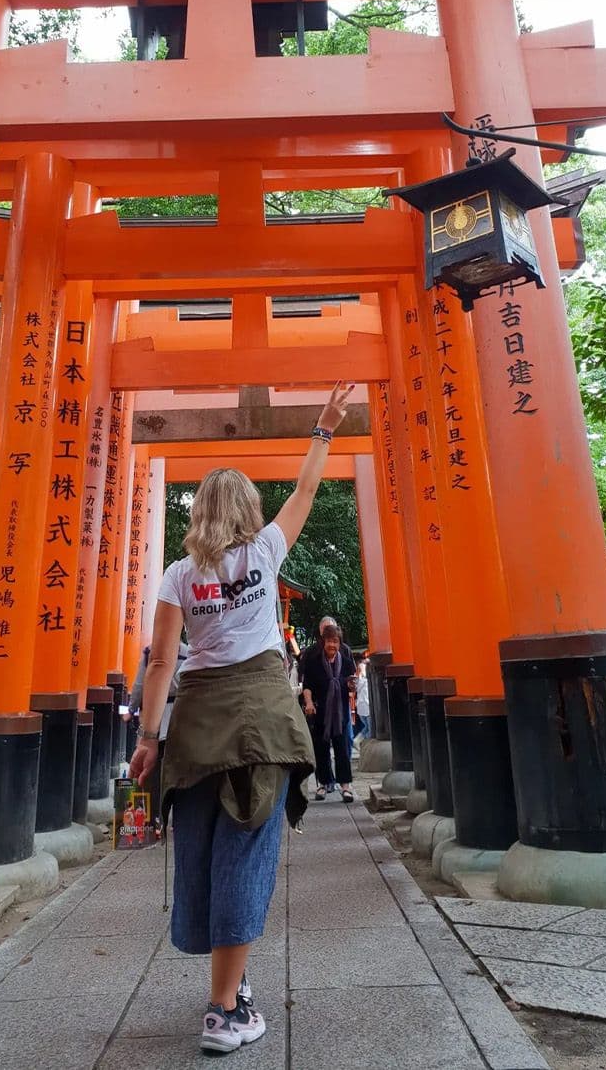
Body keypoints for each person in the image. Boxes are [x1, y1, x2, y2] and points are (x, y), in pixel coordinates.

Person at [130, 381, 354, 1056]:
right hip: (258, 717)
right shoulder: (263, 555)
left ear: (199, 512)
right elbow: (307, 493)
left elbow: (162, 665)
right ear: (248, 510)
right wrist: (324, 428)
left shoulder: (175, 576)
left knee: (202, 853)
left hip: (195, 725)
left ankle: (234, 986)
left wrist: (146, 741)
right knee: (248, 852)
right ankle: (223, 1012)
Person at [128, 637, 189, 824]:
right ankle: (179, 818)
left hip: (155, 717)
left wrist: (131, 708)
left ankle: (153, 818)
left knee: (151, 773)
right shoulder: (188, 652)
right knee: (178, 771)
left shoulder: (150, 652)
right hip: (180, 716)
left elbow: (140, 685)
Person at [302, 620, 356, 803]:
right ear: (323, 642)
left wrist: (352, 685)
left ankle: (345, 786)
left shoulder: (347, 662)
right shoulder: (313, 661)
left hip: (339, 712)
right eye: (329, 641)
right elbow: (307, 686)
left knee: (342, 748)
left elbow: (351, 684)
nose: (332, 645)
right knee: (321, 749)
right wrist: (309, 703)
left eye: (335, 641)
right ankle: (323, 784)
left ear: (339, 644)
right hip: (319, 711)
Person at [354, 659, 371, 740]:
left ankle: (357, 740)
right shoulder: (364, 680)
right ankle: (362, 742)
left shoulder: (358, 679)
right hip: (366, 706)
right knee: (369, 727)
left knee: (367, 726)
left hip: (362, 706)